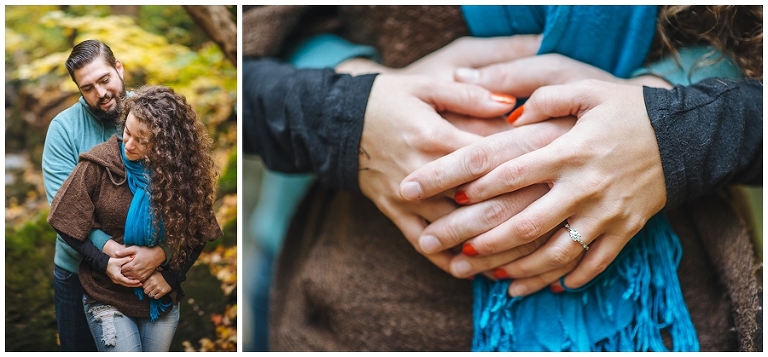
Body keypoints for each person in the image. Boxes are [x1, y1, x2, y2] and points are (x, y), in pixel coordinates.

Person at [243, 5, 761, 351]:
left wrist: (678, 128)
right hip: (356, 301)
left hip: (689, 304)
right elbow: (240, 62)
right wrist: (349, 108)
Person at [47, 85, 223, 351]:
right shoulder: (98, 164)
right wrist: (104, 260)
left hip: (158, 293)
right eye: (127, 132)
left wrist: (172, 275)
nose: (129, 144)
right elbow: (63, 218)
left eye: (142, 140)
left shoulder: (182, 176)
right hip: (105, 293)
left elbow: (198, 232)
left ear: (166, 144)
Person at [42, 39, 166, 352]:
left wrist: (163, 253)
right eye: (87, 88)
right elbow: (63, 209)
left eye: (104, 79)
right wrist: (108, 252)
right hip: (76, 269)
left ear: (119, 68)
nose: (101, 93)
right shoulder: (63, 130)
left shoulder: (153, 114)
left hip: (148, 266)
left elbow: (179, 193)